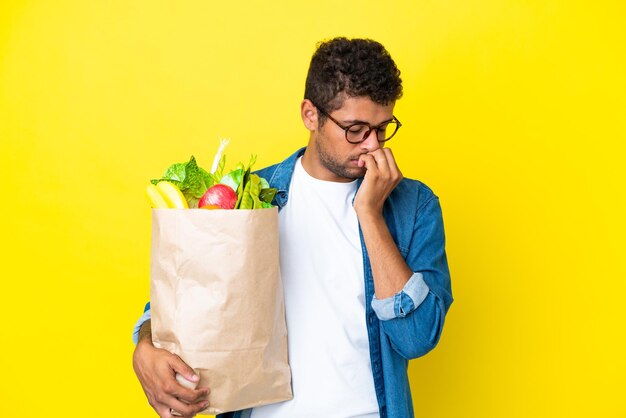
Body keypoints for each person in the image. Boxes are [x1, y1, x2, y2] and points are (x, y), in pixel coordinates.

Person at [132, 37, 453, 418]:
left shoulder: (413, 206)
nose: (372, 145)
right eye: (355, 129)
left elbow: (416, 338)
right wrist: (145, 346)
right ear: (310, 115)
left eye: (383, 129)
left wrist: (369, 213)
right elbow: (181, 303)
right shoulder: (251, 197)